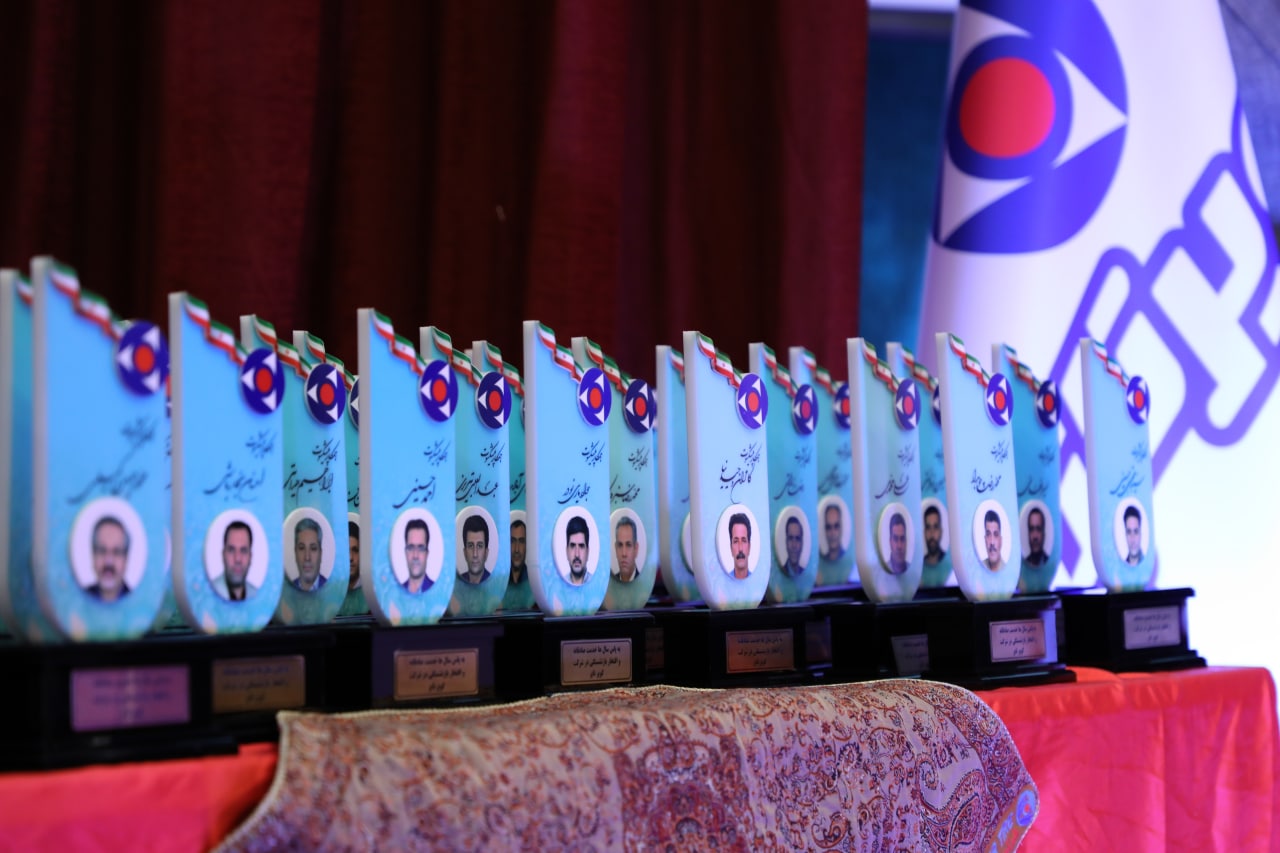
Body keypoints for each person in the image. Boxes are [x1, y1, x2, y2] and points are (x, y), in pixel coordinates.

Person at [86, 516, 131, 602]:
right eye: (102, 551)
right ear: (93, 555)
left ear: (126, 559)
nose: (108, 561)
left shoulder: (140, 603)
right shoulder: (77, 602)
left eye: (117, 552)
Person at [213, 520, 258, 601]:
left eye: (243, 551)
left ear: (250, 557)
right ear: (223, 555)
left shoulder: (259, 598)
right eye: (231, 550)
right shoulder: (207, 594)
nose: (237, 559)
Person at [338, 519, 368, 617]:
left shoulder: (372, 594)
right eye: (346, 551)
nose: (350, 557)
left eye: (355, 550)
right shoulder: (331, 592)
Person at [290, 517, 326, 592]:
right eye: (301, 548)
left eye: (313, 548)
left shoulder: (332, 589)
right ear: (295, 553)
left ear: (321, 554)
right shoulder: (288, 591)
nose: (307, 557)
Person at [402, 517, 432, 594]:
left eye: (421, 548)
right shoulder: (395, 593)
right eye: (411, 547)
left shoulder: (438, 592)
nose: (415, 555)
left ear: (427, 553)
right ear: (405, 552)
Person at [460, 514, 491, 585]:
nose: (475, 554)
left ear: (486, 552)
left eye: (479, 546)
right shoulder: (458, 583)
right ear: (465, 552)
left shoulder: (495, 583)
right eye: (470, 546)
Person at [565, 515, 590, 585]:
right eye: (572, 546)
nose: (577, 554)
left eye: (581, 546)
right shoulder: (558, 586)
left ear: (588, 552)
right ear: (566, 551)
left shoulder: (598, 584)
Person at [614, 516, 639, 582]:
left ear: (636, 549)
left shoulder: (644, 583)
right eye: (620, 545)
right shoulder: (609, 583)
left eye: (628, 545)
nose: (624, 553)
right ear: (615, 549)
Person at [728, 512, 752, 580]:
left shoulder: (759, 582)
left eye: (744, 541)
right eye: (736, 541)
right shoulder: (723, 584)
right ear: (731, 548)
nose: (740, 548)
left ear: (749, 547)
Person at [509, 518, 527, 585]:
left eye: (521, 541)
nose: (516, 549)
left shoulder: (533, 580)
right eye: (513, 541)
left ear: (526, 545)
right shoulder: (500, 581)